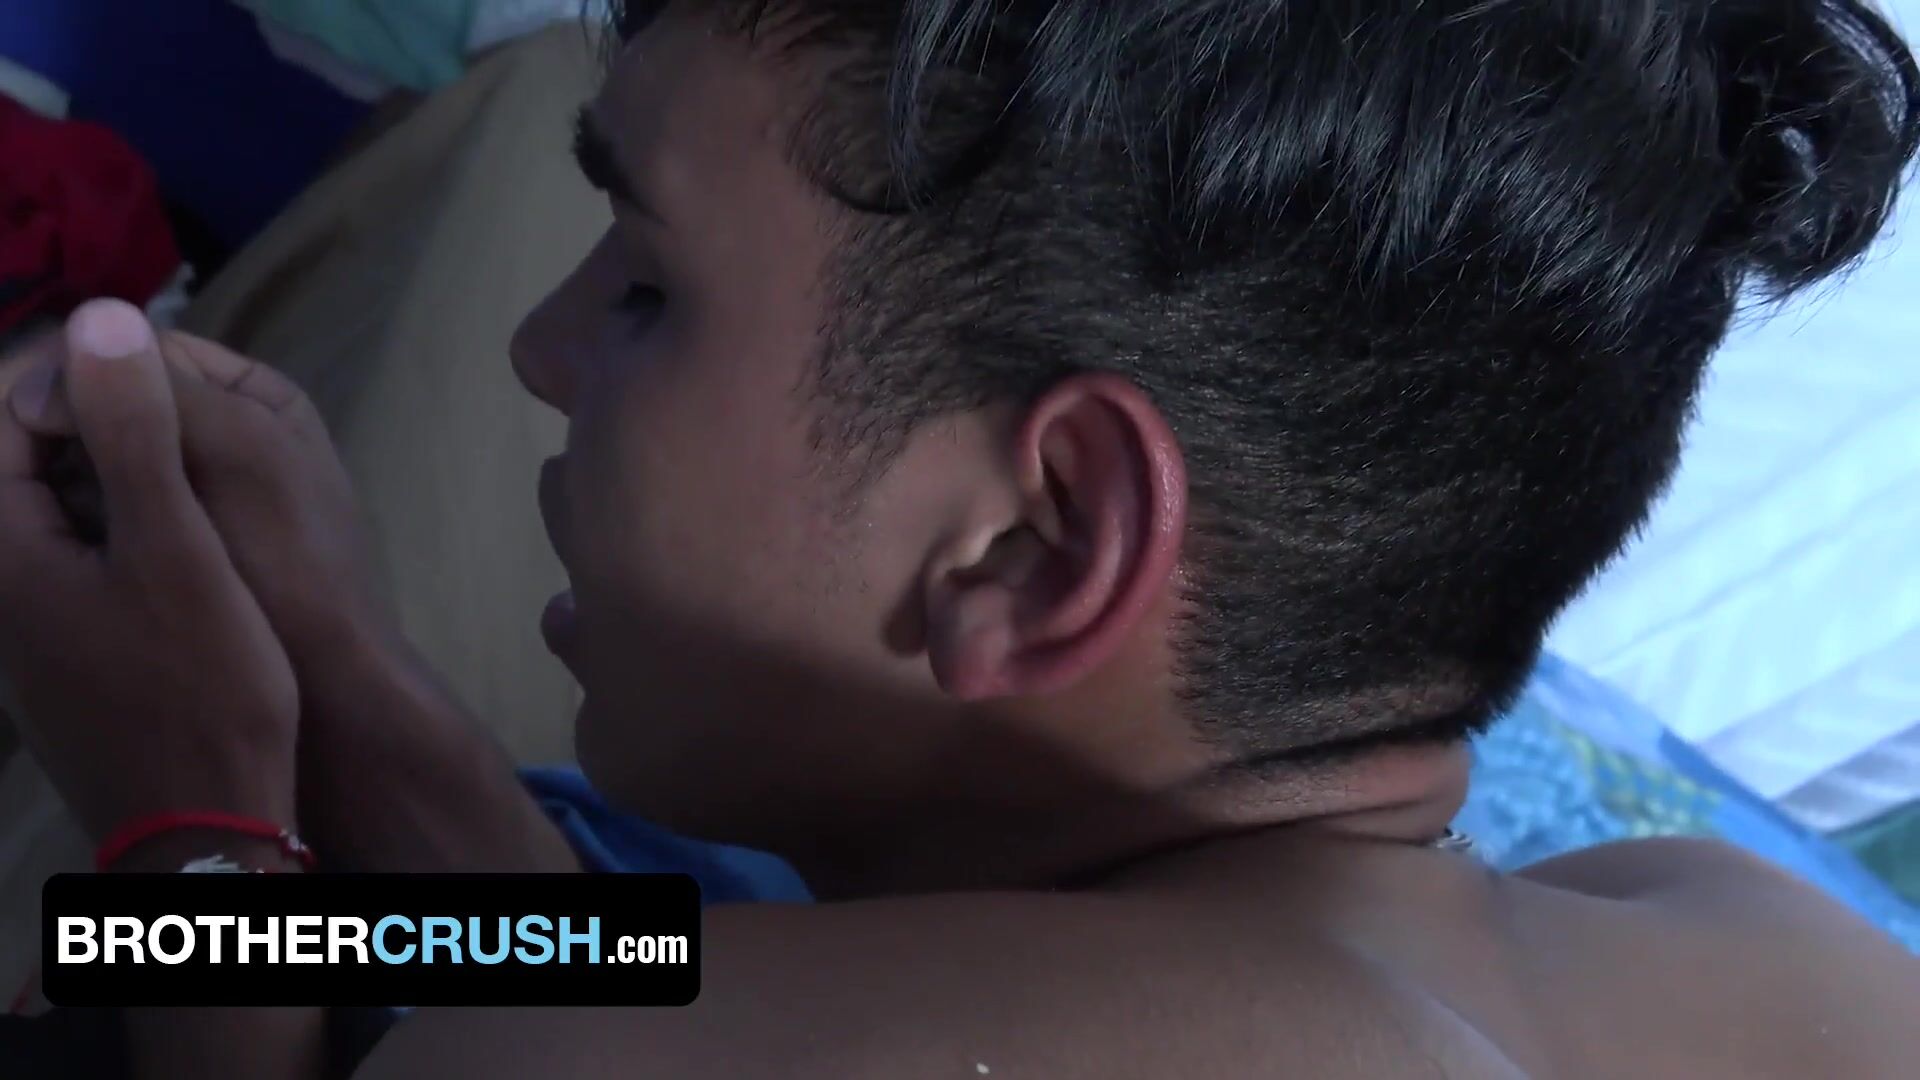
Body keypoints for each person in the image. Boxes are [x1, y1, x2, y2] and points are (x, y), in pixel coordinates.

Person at [2, 0, 1919, 1076]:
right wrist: (356, 703)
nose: (541, 348)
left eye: (650, 289)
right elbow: (661, 971)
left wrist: (183, 836)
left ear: (1039, 541)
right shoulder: (1758, 947)